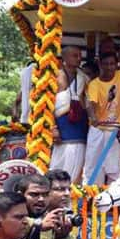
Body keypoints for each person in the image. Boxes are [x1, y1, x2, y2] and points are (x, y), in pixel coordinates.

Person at [83, 51, 120, 184]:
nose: (109, 67)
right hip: (98, 129)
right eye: (106, 64)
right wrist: (93, 118)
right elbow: (90, 103)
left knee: (113, 167)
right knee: (93, 166)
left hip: (114, 129)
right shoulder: (94, 84)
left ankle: (113, 199)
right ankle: (92, 195)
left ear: (117, 64)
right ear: (100, 65)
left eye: (112, 64)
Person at [50, 45, 89, 183]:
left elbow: (88, 103)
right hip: (60, 126)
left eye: (80, 56)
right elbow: (48, 105)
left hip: (79, 126)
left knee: (77, 166)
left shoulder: (83, 78)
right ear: (65, 57)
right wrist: (53, 129)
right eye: (74, 55)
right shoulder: (55, 76)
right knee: (57, 165)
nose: (79, 59)